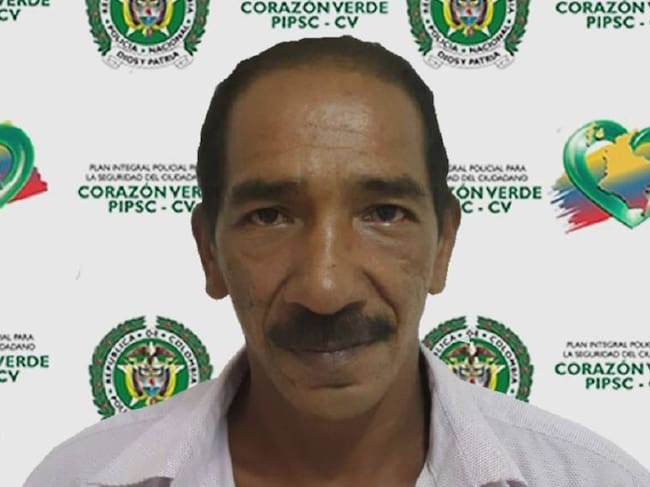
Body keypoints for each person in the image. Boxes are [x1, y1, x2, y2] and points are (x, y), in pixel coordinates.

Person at [25, 36, 650, 487]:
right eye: (270, 216)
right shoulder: (79, 477)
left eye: (383, 213)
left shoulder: (593, 478)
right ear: (208, 252)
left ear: (443, 246)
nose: (326, 289)